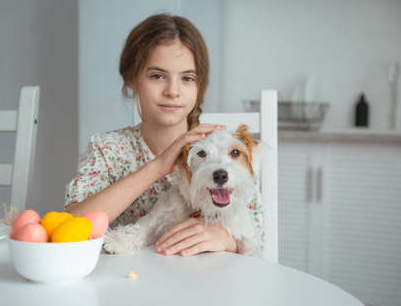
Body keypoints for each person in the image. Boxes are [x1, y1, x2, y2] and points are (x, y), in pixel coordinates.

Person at [64, 13, 264, 257]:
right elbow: (70, 227)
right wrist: (158, 167)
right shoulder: (107, 150)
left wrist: (227, 241)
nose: (172, 91)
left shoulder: (227, 159)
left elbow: (257, 245)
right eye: (157, 76)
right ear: (131, 80)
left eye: (187, 78)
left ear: (199, 86)